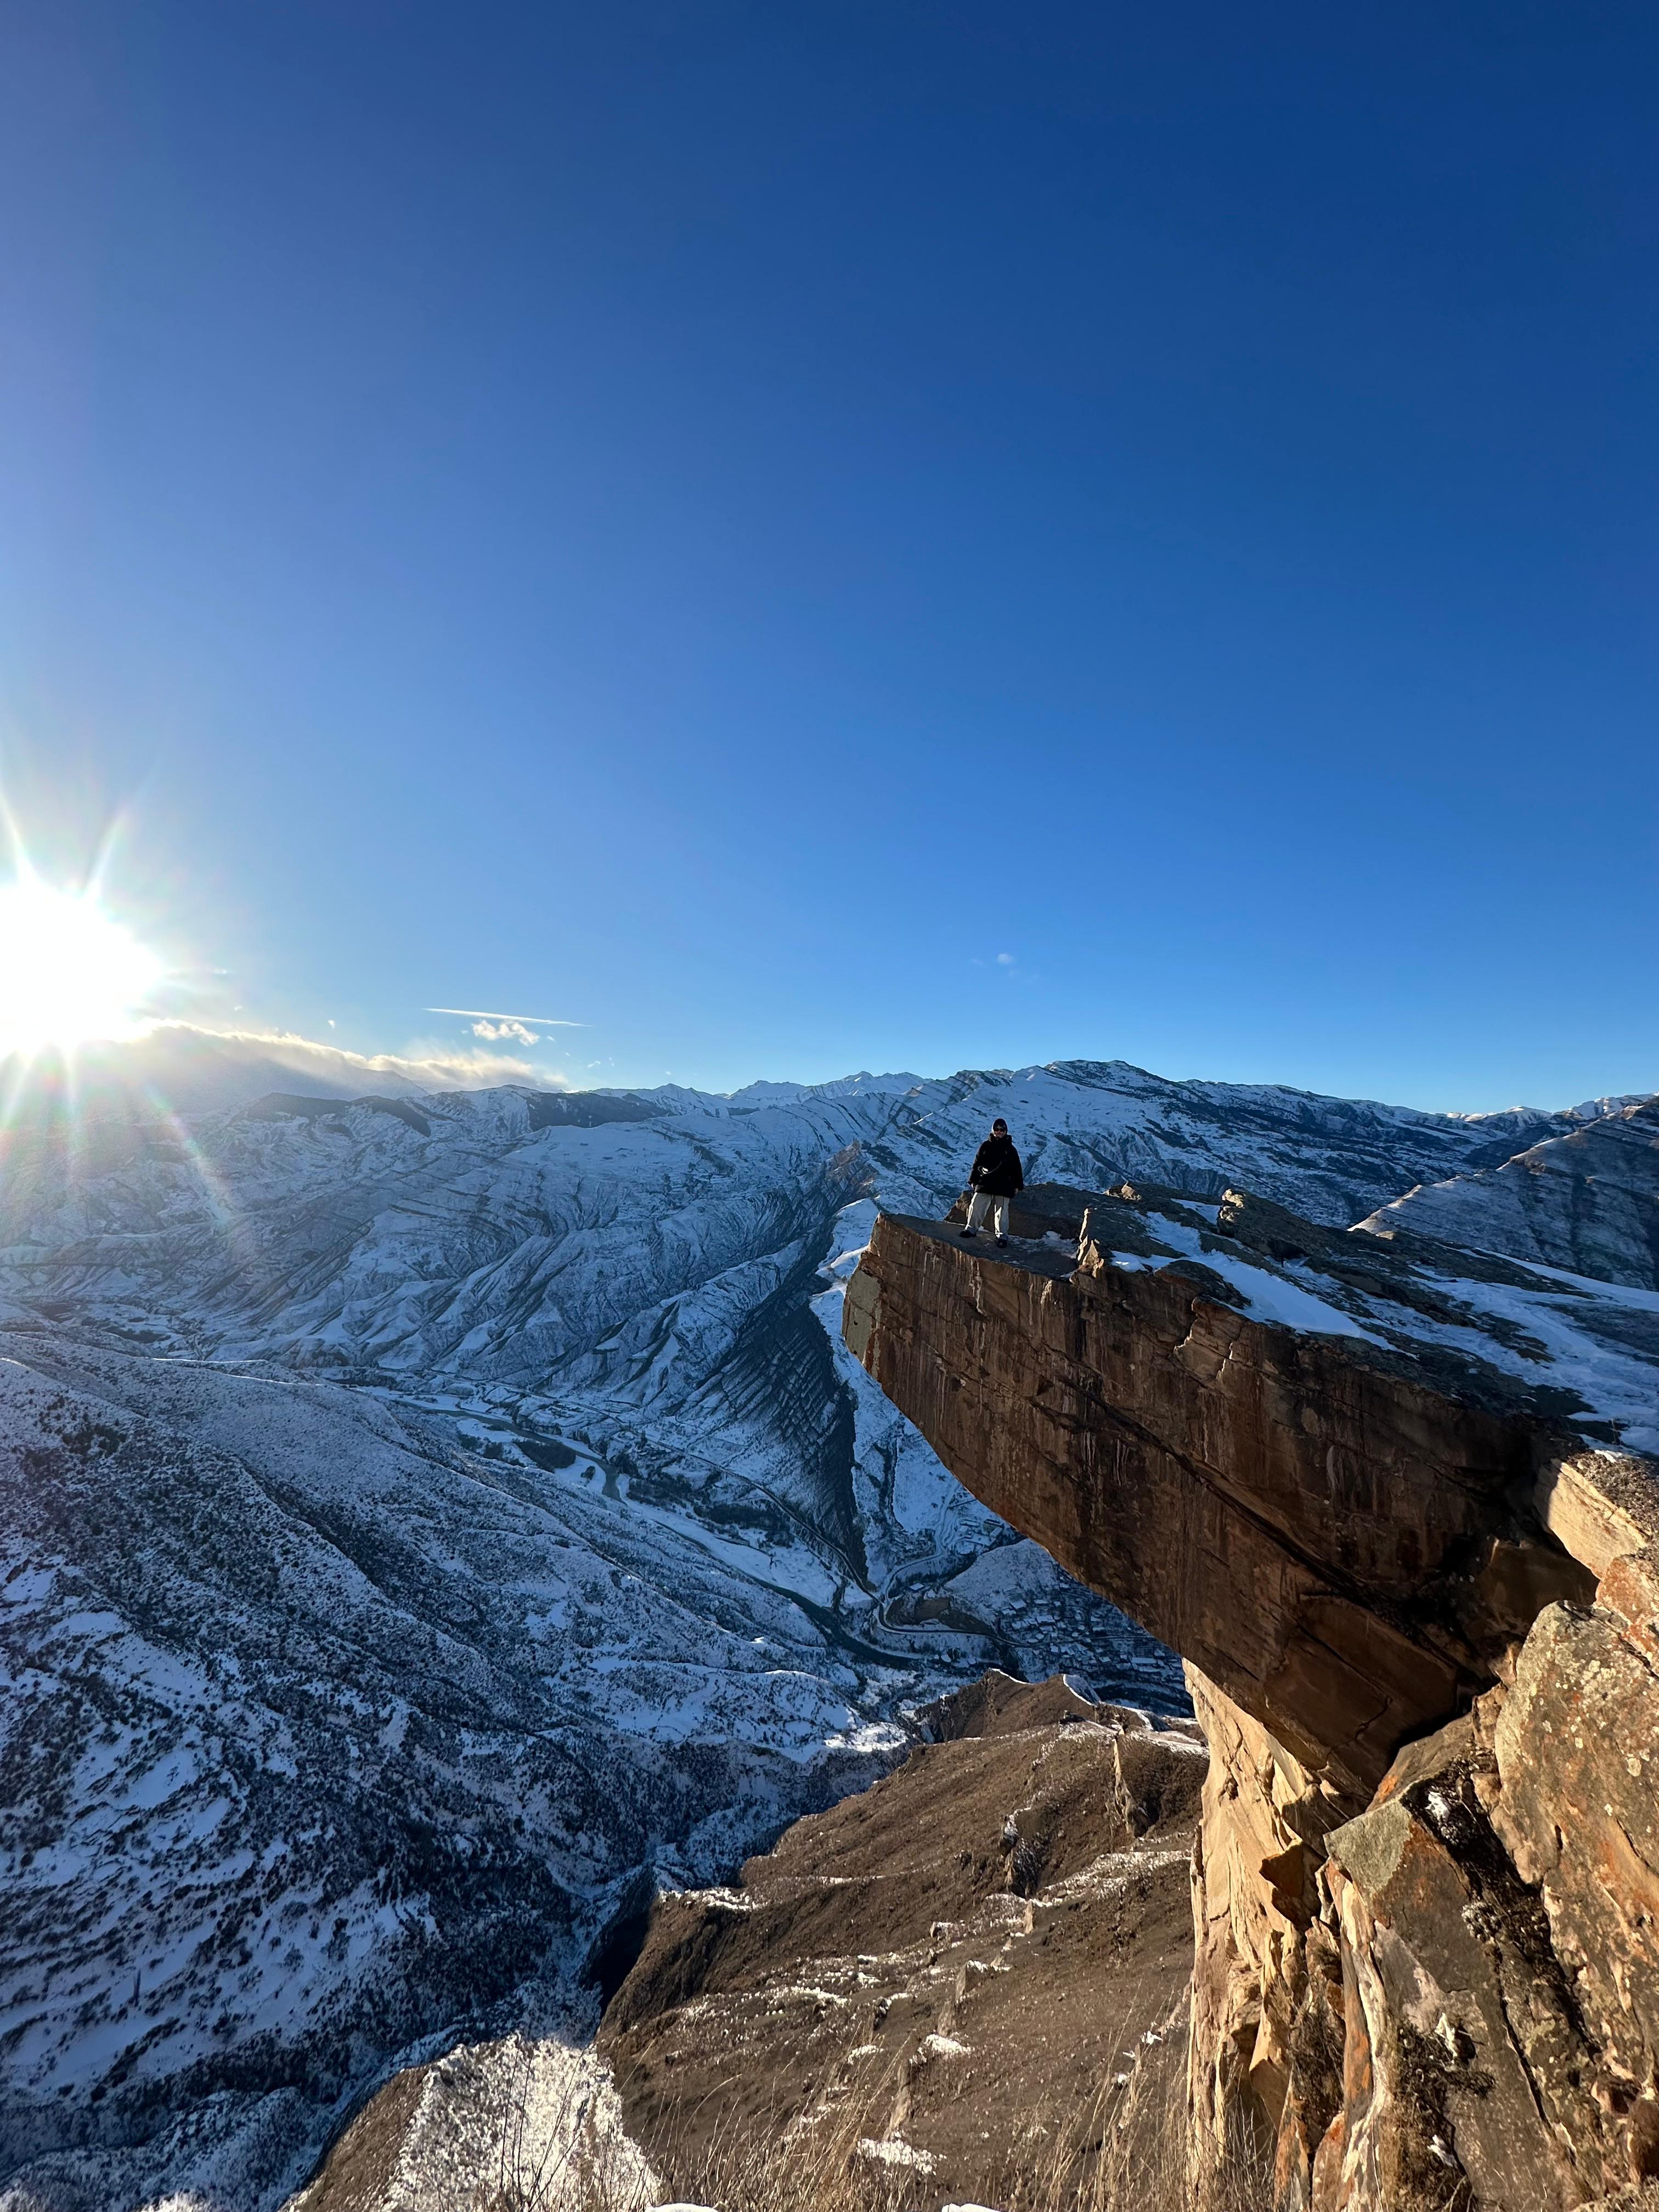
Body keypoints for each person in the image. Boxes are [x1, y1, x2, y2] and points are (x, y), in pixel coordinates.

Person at [961, 1117, 1024, 1246]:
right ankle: (971, 1229)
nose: (999, 1132)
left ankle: (1002, 1237)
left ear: (1006, 1131)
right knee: (976, 1206)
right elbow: (977, 1163)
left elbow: (1017, 1168)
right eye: (997, 1129)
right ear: (993, 1130)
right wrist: (973, 1180)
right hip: (986, 1182)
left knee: (1002, 1211)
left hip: (1004, 1184)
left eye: (1002, 1129)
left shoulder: (1011, 1149)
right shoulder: (986, 1146)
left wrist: (1018, 1185)